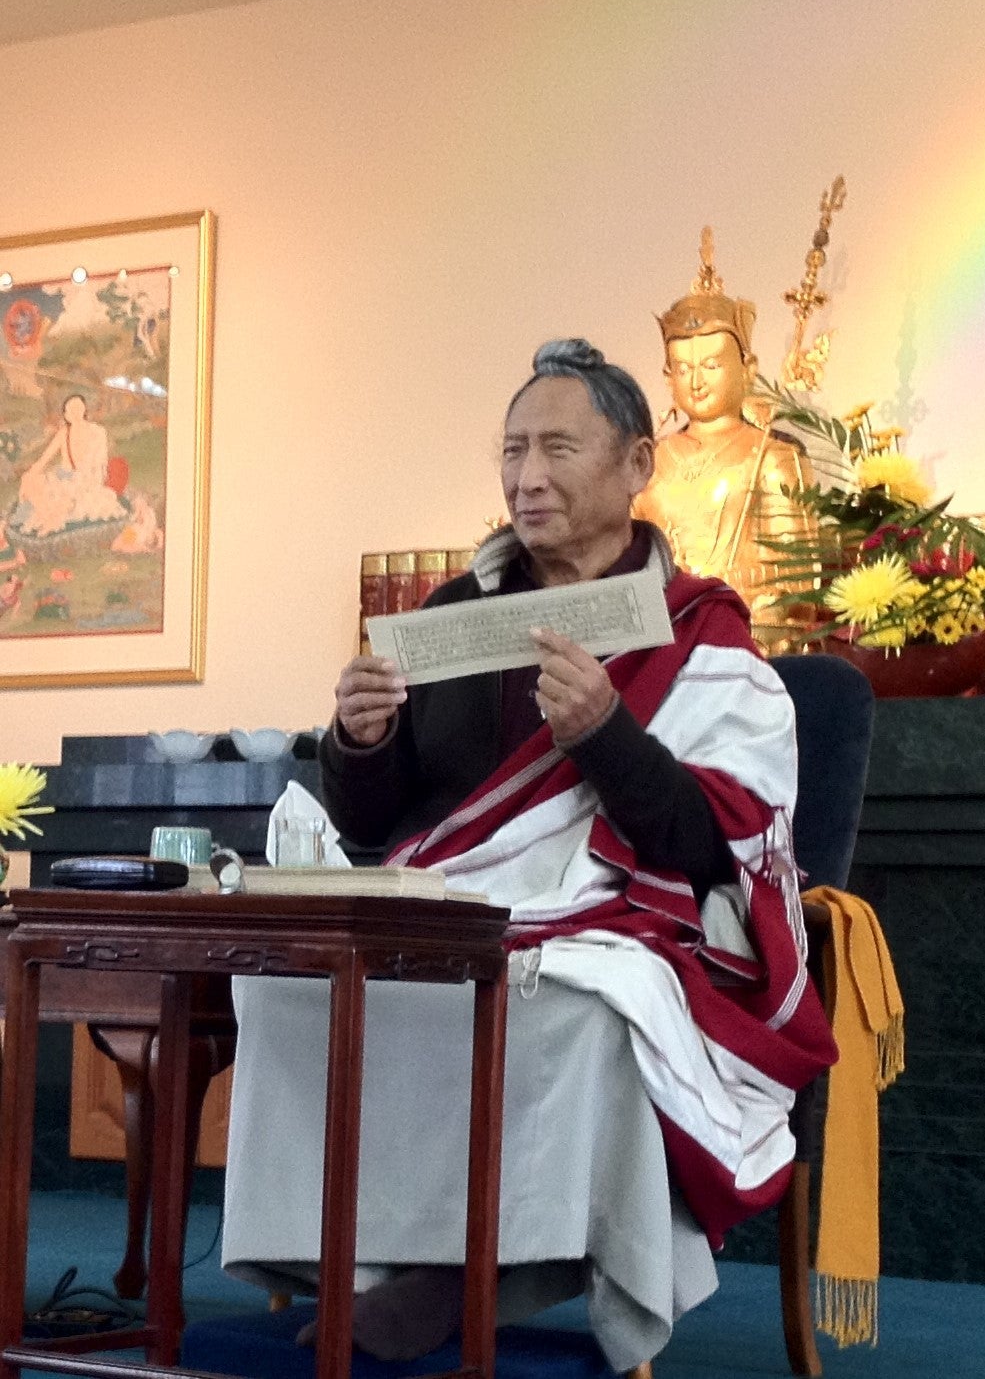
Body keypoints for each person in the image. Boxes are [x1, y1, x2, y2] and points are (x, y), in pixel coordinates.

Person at [221, 339, 835, 1373]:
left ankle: (484, 1271)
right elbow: (379, 830)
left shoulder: (698, 632)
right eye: (512, 450)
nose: (527, 476)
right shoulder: (451, 619)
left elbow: (714, 847)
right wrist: (360, 742)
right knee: (291, 983)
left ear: (636, 465)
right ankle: (341, 1255)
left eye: (557, 447)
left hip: (624, 911)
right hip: (449, 902)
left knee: (587, 1000)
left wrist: (606, 734)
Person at [633, 237, 815, 648]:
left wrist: (745, 619)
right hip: (664, 641)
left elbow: (798, 581)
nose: (696, 381)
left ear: (748, 369)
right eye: (683, 368)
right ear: (667, 377)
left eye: (712, 365)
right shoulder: (650, 464)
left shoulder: (772, 455)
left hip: (749, 639)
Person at [9, 393, 126, 539]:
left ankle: (51, 524)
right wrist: (31, 473)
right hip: (64, 475)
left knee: (63, 497)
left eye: (78, 407)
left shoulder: (97, 432)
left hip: (87, 480)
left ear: (84, 409)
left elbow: (98, 464)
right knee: (33, 482)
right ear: (66, 415)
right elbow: (45, 458)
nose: (75, 412)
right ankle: (33, 522)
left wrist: (81, 479)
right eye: (71, 409)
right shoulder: (64, 432)